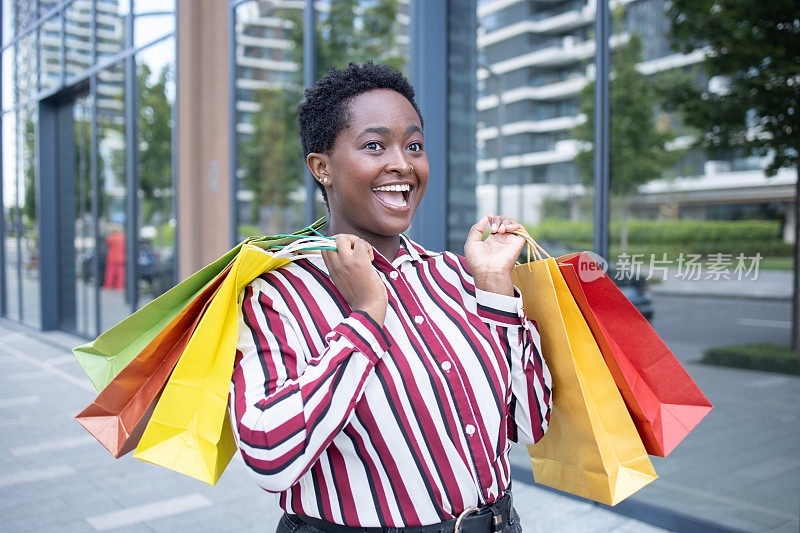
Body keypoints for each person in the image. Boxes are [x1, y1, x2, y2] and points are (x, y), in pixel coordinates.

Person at [230, 62, 552, 533]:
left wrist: (496, 289)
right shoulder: (278, 294)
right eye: (374, 145)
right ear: (322, 168)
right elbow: (267, 453)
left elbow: (530, 424)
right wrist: (365, 318)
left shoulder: (456, 277)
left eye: (414, 145)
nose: (402, 163)